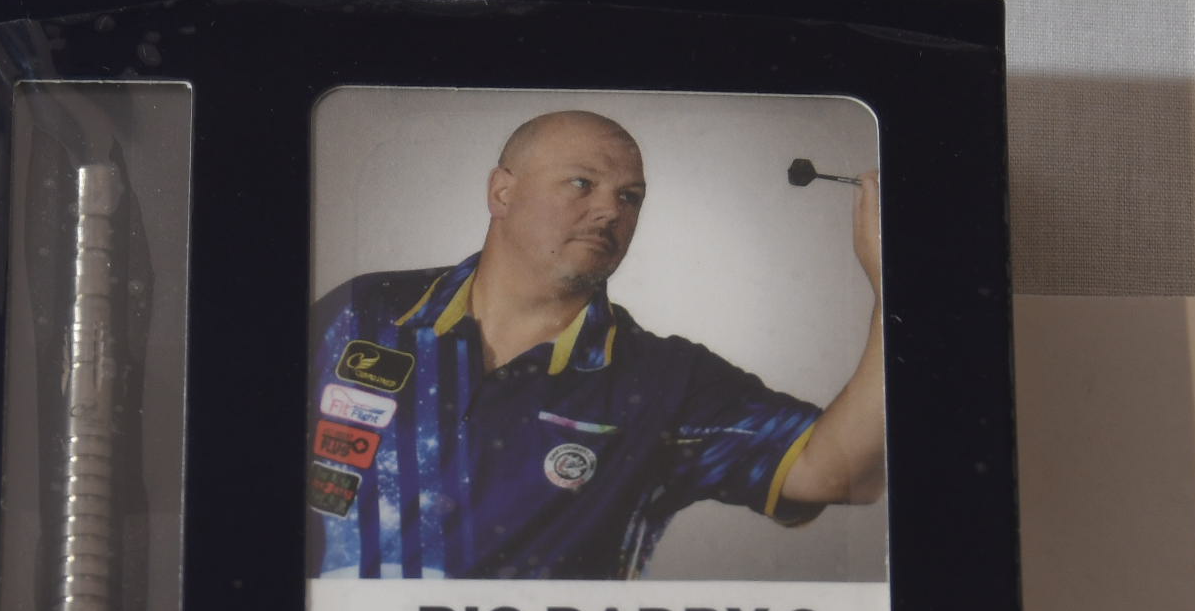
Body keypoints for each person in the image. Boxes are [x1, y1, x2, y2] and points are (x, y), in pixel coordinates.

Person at [304, 110, 884, 579]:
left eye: (630, 197)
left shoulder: (662, 380)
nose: (610, 210)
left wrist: (894, 290)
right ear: (502, 193)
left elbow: (834, 472)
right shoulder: (364, 310)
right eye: (582, 183)